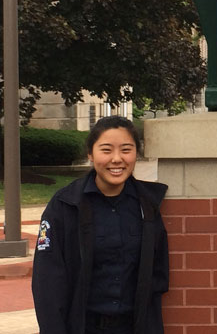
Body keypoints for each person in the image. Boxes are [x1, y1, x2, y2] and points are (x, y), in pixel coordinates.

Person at [32, 116, 169, 334]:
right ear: (90, 153)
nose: (117, 159)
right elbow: (47, 283)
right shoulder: (65, 206)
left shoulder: (148, 206)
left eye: (126, 149)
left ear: (136, 154)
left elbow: (158, 277)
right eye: (106, 150)